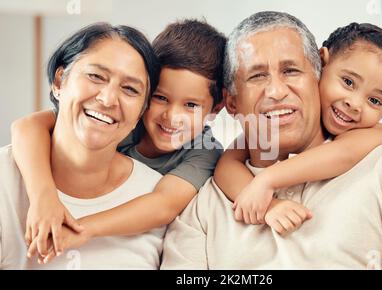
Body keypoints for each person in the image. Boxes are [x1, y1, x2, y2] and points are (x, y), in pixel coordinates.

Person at [161, 11, 382, 269]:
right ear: (231, 102)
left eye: (291, 70)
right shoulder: (202, 203)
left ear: (318, 73)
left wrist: (268, 179)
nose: (276, 91)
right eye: (257, 76)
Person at [10, 19, 226, 264]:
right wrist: (44, 197)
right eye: (160, 97)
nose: (171, 116)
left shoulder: (204, 150)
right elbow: (26, 126)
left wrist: (82, 229)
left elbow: (163, 205)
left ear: (215, 109)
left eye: (191, 105)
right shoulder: (115, 121)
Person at [214, 22, 382, 231]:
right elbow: (226, 166)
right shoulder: (283, 122)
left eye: (374, 101)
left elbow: (342, 153)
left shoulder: (374, 131)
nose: (354, 104)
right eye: (348, 82)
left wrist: (267, 180)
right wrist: (269, 205)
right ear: (322, 63)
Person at [0, 22, 165, 269]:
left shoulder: (154, 196)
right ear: (59, 82)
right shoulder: (5, 178)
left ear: (140, 113)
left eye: (130, 89)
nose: (108, 99)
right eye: (96, 76)